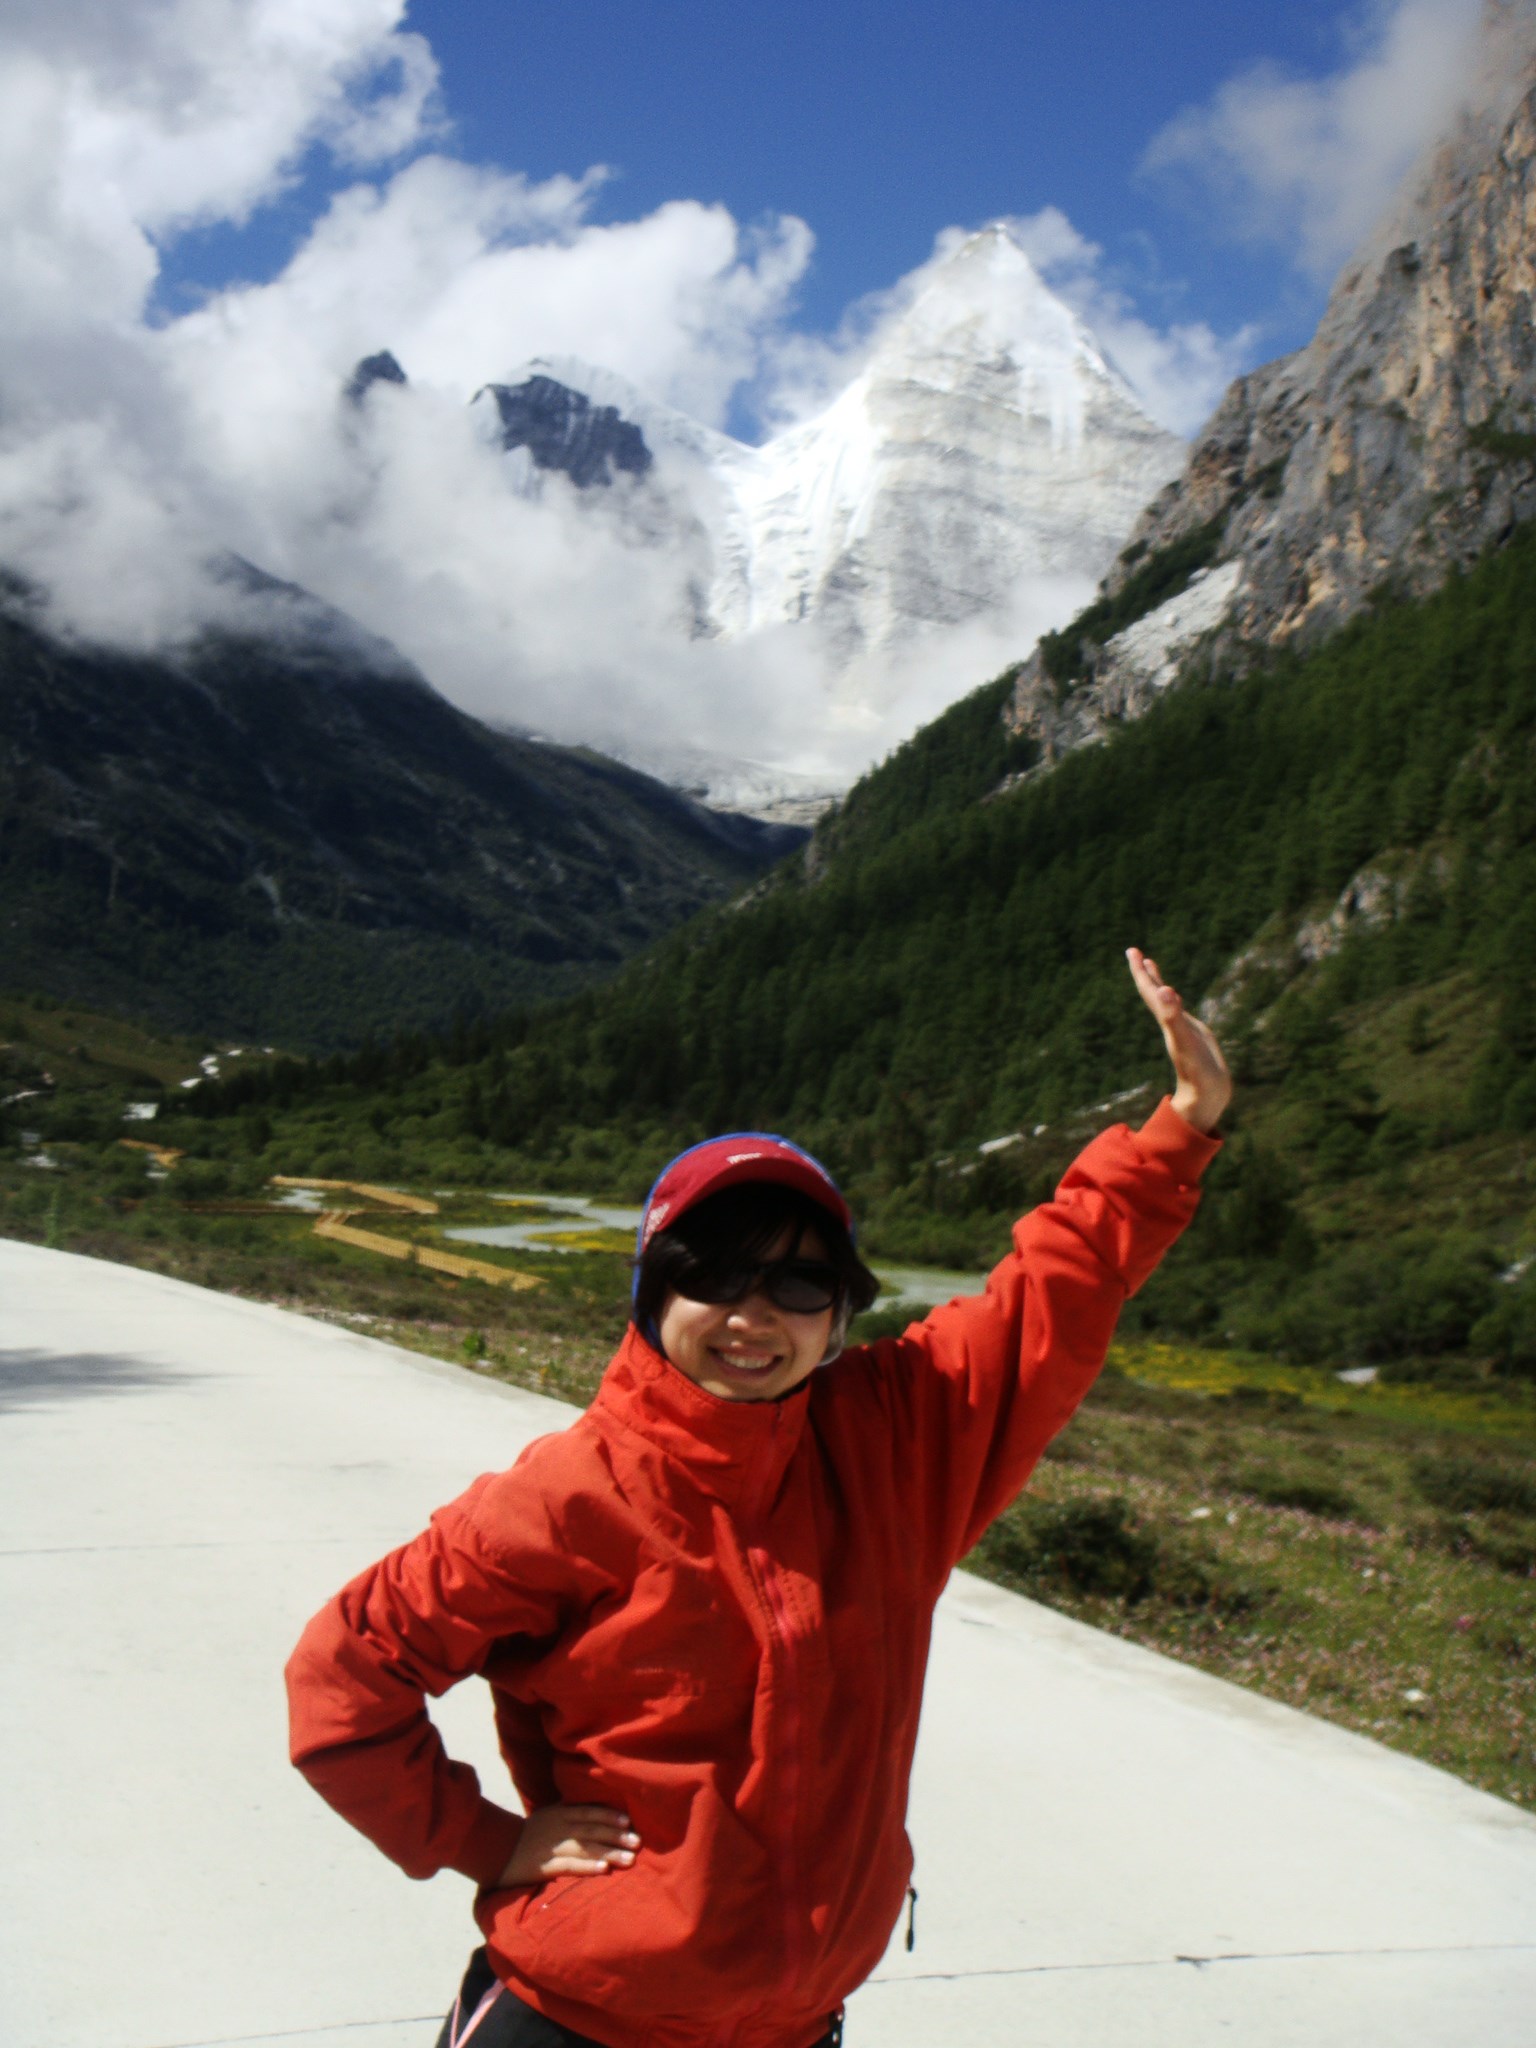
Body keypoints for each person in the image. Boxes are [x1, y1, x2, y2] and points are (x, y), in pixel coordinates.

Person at [285, 948, 1230, 2048]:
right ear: (652, 1287)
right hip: (580, 2022)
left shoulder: (896, 1439)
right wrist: (486, 1838)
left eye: (798, 1281)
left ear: (838, 1312)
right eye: (715, 1271)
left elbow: (1053, 1296)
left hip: (796, 2026)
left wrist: (1182, 1126)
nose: (752, 1313)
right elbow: (343, 1675)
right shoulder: (564, 1495)